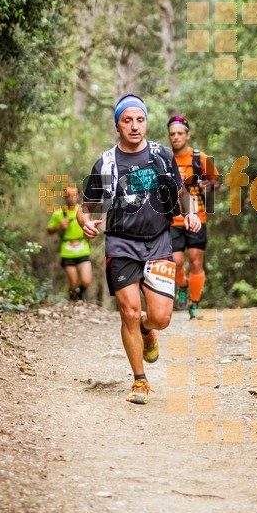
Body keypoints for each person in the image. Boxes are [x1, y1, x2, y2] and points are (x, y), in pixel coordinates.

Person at [77, 94, 201, 404]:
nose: (135, 126)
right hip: (120, 244)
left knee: (160, 317)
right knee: (130, 312)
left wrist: (190, 213)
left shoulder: (160, 154)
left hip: (159, 242)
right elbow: (85, 208)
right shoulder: (106, 163)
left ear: (146, 122)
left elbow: (181, 190)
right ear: (117, 125)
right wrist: (86, 222)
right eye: (127, 120)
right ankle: (140, 380)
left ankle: (149, 331)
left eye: (140, 120)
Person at [167, 115, 221, 318]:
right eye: (172, 134)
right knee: (176, 261)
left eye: (180, 133)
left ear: (187, 135)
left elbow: (217, 181)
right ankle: (182, 285)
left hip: (198, 217)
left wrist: (207, 185)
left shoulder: (200, 158)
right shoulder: (165, 158)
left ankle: (194, 303)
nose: (176, 137)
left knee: (196, 260)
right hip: (173, 219)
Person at [47, 183, 92, 301]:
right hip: (67, 251)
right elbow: (49, 230)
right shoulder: (58, 213)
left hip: (83, 249)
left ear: (77, 196)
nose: (71, 198)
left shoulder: (83, 210)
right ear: (64, 197)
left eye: (74, 195)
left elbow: (90, 225)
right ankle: (74, 301)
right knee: (73, 283)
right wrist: (59, 226)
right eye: (68, 195)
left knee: (86, 281)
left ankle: (80, 295)